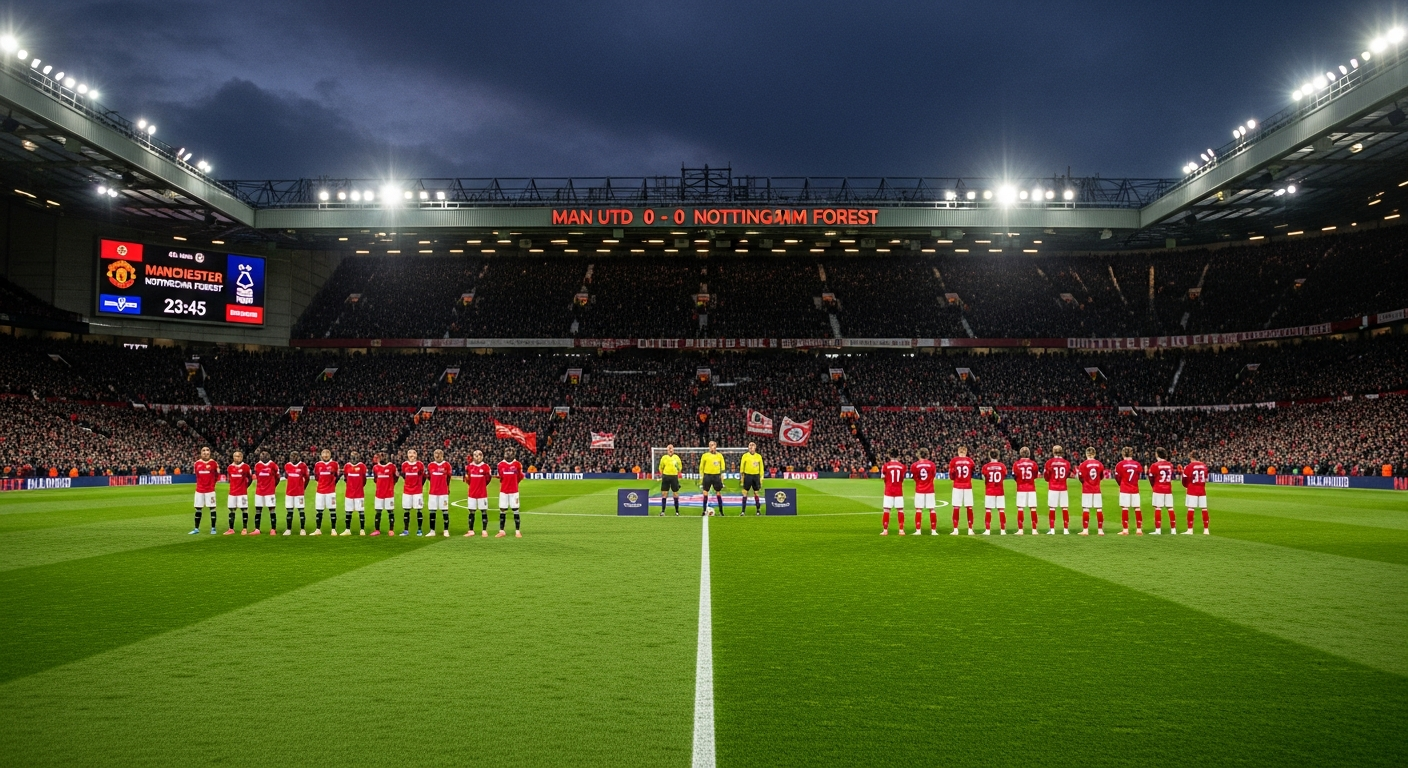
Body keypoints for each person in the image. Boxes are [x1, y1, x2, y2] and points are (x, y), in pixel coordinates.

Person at [1114, 447, 1144, 536]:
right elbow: (1139, 475)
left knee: (1125, 508)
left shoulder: (1120, 465)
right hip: (1135, 489)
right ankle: (1139, 530)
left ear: (1123, 454)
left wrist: (1122, 484)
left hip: (1124, 489)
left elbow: (1117, 477)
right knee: (1137, 508)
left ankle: (1125, 530)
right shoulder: (1137, 464)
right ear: (1132, 454)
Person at [190, 446, 219, 535]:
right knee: (198, 509)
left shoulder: (214, 463)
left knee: (212, 508)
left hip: (210, 490)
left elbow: (217, 476)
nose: (205, 452)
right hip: (199, 490)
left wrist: (212, 485)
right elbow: (196, 475)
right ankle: (196, 529)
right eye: (203, 451)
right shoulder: (197, 464)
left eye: (207, 450)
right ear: (201, 453)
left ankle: (213, 528)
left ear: (210, 453)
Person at [1043, 445, 1072, 535]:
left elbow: (1046, 477)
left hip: (1053, 487)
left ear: (1053, 452)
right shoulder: (1066, 463)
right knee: (1065, 508)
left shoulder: (1049, 462)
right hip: (1063, 487)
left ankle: (1052, 530)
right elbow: (1068, 474)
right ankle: (1066, 530)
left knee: (1052, 508)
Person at [1077, 447, 1105, 536]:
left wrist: (1084, 483)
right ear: (1095, 454)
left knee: (1086, 509)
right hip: (1097, 489)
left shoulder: (1083, 465)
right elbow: (1101, 476)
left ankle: (1085, 531)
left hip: (1086, 489)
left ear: (1086, 454)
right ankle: (1100, 531)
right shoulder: (1100, 464)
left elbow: (1080, 477)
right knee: (1099, 509)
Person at [496, 448, 524, 538]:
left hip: (514, 491)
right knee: (502, 510)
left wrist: (514, 484)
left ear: (514, 454)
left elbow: (519, 477)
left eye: (510, 452)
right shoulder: (500, 465)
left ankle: (517, 531)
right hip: (504, 491)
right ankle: (501, 531)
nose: (508, 454)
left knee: (515, 510)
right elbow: (501, 477)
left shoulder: (517, 464)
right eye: (507, 452)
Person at [1148, 447, 1177, 535]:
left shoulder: (1154, 465)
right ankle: (1173, 530)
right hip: (1168, 489)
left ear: (1157, 454)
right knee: (1170, 508)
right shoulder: (1170, 465)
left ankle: (1158, 530)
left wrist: (1154, 486)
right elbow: (1172, 476)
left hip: (1158, 488)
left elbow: (1151, 478)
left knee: (1158, 508)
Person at [1182, 450, 1211, 535]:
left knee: (1191, 508)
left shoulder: (1189, 466)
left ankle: (1190, 530)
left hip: (1192, 489)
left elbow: (1184, 480)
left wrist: (1186, 486)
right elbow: (1206, 478)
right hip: (1202, 490)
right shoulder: (1204, 466)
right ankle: (1206, 530)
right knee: (1204, 509)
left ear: (1192, 457)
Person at [948, 445, 976, 535]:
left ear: (958, 452)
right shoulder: (970, 461)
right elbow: (972, 472)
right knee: (969, 507)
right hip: (968, 486)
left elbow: (951, 475)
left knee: (956, 507)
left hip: (957, 486)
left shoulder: (954, 461)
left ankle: (955, 529)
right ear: (966, 452)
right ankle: (970, 530)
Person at [879, 448, 907, 536]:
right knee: (900, 510)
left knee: (886, 510)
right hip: (898, 491)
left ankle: (885, 530)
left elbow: (882, 477)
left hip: (889, 490)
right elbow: (902, 479)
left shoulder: (886, 466)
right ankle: (901, 530)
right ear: (898, 456)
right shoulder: (902, 466)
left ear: (889, 455)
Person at [252, 450, 280, 535]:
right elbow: (257, 477)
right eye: (262, 456)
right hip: (259, 491)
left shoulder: (273, 465)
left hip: (270, 492)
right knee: (258, 509)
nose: (263, 457)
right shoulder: (257, 465)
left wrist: (272, 486)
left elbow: (277, 478)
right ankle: (257, 529)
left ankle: (273, 529)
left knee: (272, 509)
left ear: (268, 457)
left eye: (265, 456)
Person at [910, 448, 938, 535]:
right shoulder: (932, 465)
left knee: (919, 510)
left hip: (919, 489)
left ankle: (918, 530)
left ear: (919, 454)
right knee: (932, 510)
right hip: (930, 489)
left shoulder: (914, 465)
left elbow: (914, 477)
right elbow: (933, 476)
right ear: (927, 455)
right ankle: (933, 531)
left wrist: (919, 483)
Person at [313, 448, 340, 536]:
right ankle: (318, 529)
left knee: (332, 510)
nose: (325, 455)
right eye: (323, 453)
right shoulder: (318, 465)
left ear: (330, 455)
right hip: (320, 491)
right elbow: (317, 477)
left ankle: (333, 530)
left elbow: (337, 476)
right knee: (319, 511)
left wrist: (332, 484)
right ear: (321, 455)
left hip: (330, 491)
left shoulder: (334, 464)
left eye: (327, 453)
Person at [1012, 447, 1038, 535]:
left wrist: (1020, 481)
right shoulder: (1033, 464)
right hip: (1031, 488)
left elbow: (1014, 476)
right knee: (1033, 509)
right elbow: (1035, 475)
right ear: (1029, 453)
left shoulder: (1016, 464)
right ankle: (1034, 530)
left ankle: (1020, 530)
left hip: (1021, 488)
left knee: (1020, 508)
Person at [465, 449, 491, 536]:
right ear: (473, 456)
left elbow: (488, 479)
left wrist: (482, 485)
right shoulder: (469, 467)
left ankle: (484, 530)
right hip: (472, 493)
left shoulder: (485, 467)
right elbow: (468, 479)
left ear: (482, 456)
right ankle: (471, 530)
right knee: (471, 511)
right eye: (475, 455)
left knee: (484, 511)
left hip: (482, 493)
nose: (477, 457)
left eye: (479, 455)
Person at [981, 449, 1007, 535]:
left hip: (989, 490)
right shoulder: (1002, 466)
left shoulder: (986, 467)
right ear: (998, 456)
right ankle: (1002, 530)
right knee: (1001, 510)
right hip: (1000, 491)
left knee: (988, 510)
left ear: (990, 456)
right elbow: (1004, 476)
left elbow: (984, 478)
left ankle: (987, 530)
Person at [427, 449, 453, 537]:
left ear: (443, 455)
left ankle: (446, 530)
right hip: (433, 492)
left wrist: (447, 487)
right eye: (435, 453)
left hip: (443, 492)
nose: (437, 455)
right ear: (433, 455)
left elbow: (449, 477)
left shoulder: (447, 465)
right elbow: (429, 477)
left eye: (439, 453)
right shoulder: (430, 465)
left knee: (445, 510)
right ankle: (432, 531)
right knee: (432, 511)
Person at [400, 449, 426, 536]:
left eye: (414, 453)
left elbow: (424, 477)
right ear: (407, 455)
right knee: (406, 510)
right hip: (407, 491)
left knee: (419, 509)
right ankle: (406, 530)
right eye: (410, 453)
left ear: (416, 455)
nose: (412, 455)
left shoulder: (420, 465)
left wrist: (419, 485)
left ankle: (419, 530)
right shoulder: (404, 465)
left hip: (417, 491)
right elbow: (404, 476)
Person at [371, 451, 397, 536]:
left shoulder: (392, 466)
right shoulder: (375, 467)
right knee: (378, 512)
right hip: (379, 494)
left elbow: (396, 477)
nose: (382, 457)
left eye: (383, 456)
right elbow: (375, 479)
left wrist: (390, 486)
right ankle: (377, 530)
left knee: (390, 511)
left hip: (389, 494)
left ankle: (391, 530)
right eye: (380, 456)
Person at [283, 451, 309, 535]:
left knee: (301, 510)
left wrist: (303, 488)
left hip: (299, 493)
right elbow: (287, 476)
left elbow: (307, 478)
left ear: (298, 457)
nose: (293, 458)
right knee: (289, 511)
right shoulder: (287, 465)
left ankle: (302, 529)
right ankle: (288, 529)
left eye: (295, 456)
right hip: (289, 493)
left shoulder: (303, 466)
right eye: (292, 456)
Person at [227, 449, 252, 535]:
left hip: (242, 493)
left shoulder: (246, 467)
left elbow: (250, 479)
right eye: (235, 456)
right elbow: (230, 479)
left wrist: (245, 487)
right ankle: (231, 529)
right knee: (231, 510)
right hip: (232, 493)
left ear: (241, 457)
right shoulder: (230, 467)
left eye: (238, 456)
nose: (236, 458)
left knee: (244, 509)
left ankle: (244, 528)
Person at [343, 450, 368, 536]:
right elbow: (346, 478)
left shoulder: (362, 466)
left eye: (355, 456)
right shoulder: (347, 466)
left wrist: (359, 486)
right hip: (349, 494)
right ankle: (347, 530)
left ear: (358, 457)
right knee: (348, 512)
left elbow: (364, 480)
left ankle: (362, 530)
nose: (354, 457)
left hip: (359, 494)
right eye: (352, 456)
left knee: (361, 511)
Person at [698, 441, 726, 517]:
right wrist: (701, 477)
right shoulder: (705, 455)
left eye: (713, 445)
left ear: (715, 446)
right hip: (707, 476)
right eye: (710, 445)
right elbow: (701, 467)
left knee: (718, 493)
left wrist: (722, 478)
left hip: (716, 476)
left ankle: (721, 511)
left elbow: (723, 468)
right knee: (705, 493)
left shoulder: (720, 456)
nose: (711, 447)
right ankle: (704, 511)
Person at [740, 442, 764, 516]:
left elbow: (761, 467)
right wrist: (742, 476)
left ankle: (758, 510)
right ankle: (743, 511)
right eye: (750, 445)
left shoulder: (758, 456)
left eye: (752, 445)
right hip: (747, 476)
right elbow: (742, 467)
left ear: (755, 447)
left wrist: (761, 477)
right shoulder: (745, 456)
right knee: (745, 493)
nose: (751, 447)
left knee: (756, 493)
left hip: (756, 476)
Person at [658, 444, 682, 516]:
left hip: (674, 477)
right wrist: (663, 475)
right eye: (669, 449)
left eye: (671, 449)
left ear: (673, 450)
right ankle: (663, 511)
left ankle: (677, 511)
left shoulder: (677, 458)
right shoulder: (664, 458)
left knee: (675, 494)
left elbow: (680, 468)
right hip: (666, 477)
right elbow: (660, 467)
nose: (670, 450)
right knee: (664, 494)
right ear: (667, 450)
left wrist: (677, 467)